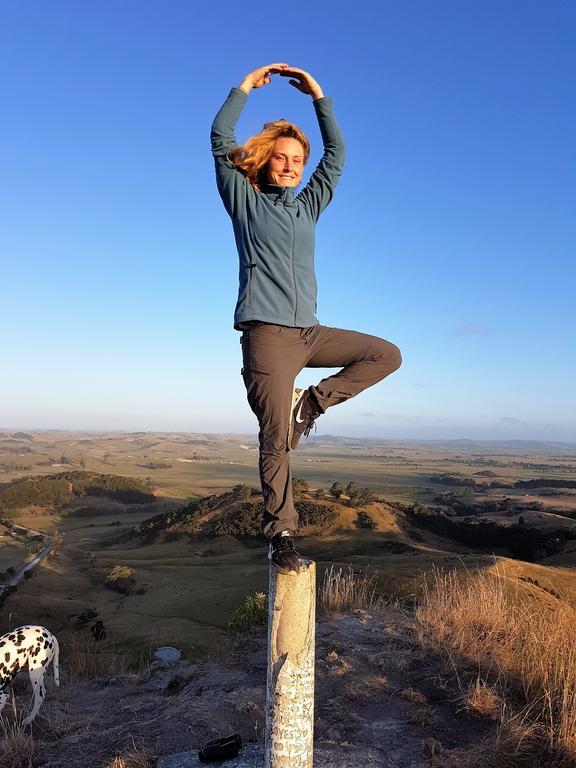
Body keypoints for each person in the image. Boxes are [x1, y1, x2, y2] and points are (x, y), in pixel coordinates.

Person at [210, 64, 402, 575]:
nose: (292, 167)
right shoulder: (245, 203)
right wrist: (245, 88)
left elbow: (336, 157)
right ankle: (282, 536)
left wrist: (321, 98)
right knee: (275, 443)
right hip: (268, 336)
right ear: (266, 161)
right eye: (283, 158)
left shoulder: (307, 207)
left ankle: (310, 404)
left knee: (386, 355)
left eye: (298, 160)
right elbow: (219, 138)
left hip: (310, 332)